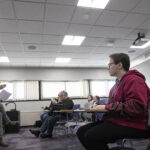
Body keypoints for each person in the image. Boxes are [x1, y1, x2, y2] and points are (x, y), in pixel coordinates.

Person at [77, 53, 150, 150]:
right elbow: (113, 105)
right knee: (81, 131)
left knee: (91, 136)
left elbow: (136, 107)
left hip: (135, 124)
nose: (108, 67)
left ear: (119, 65)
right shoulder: (115, 86)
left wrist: (105, 107)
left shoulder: (134, 80)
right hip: (118, 120)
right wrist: (99, 107)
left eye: (110, 64)